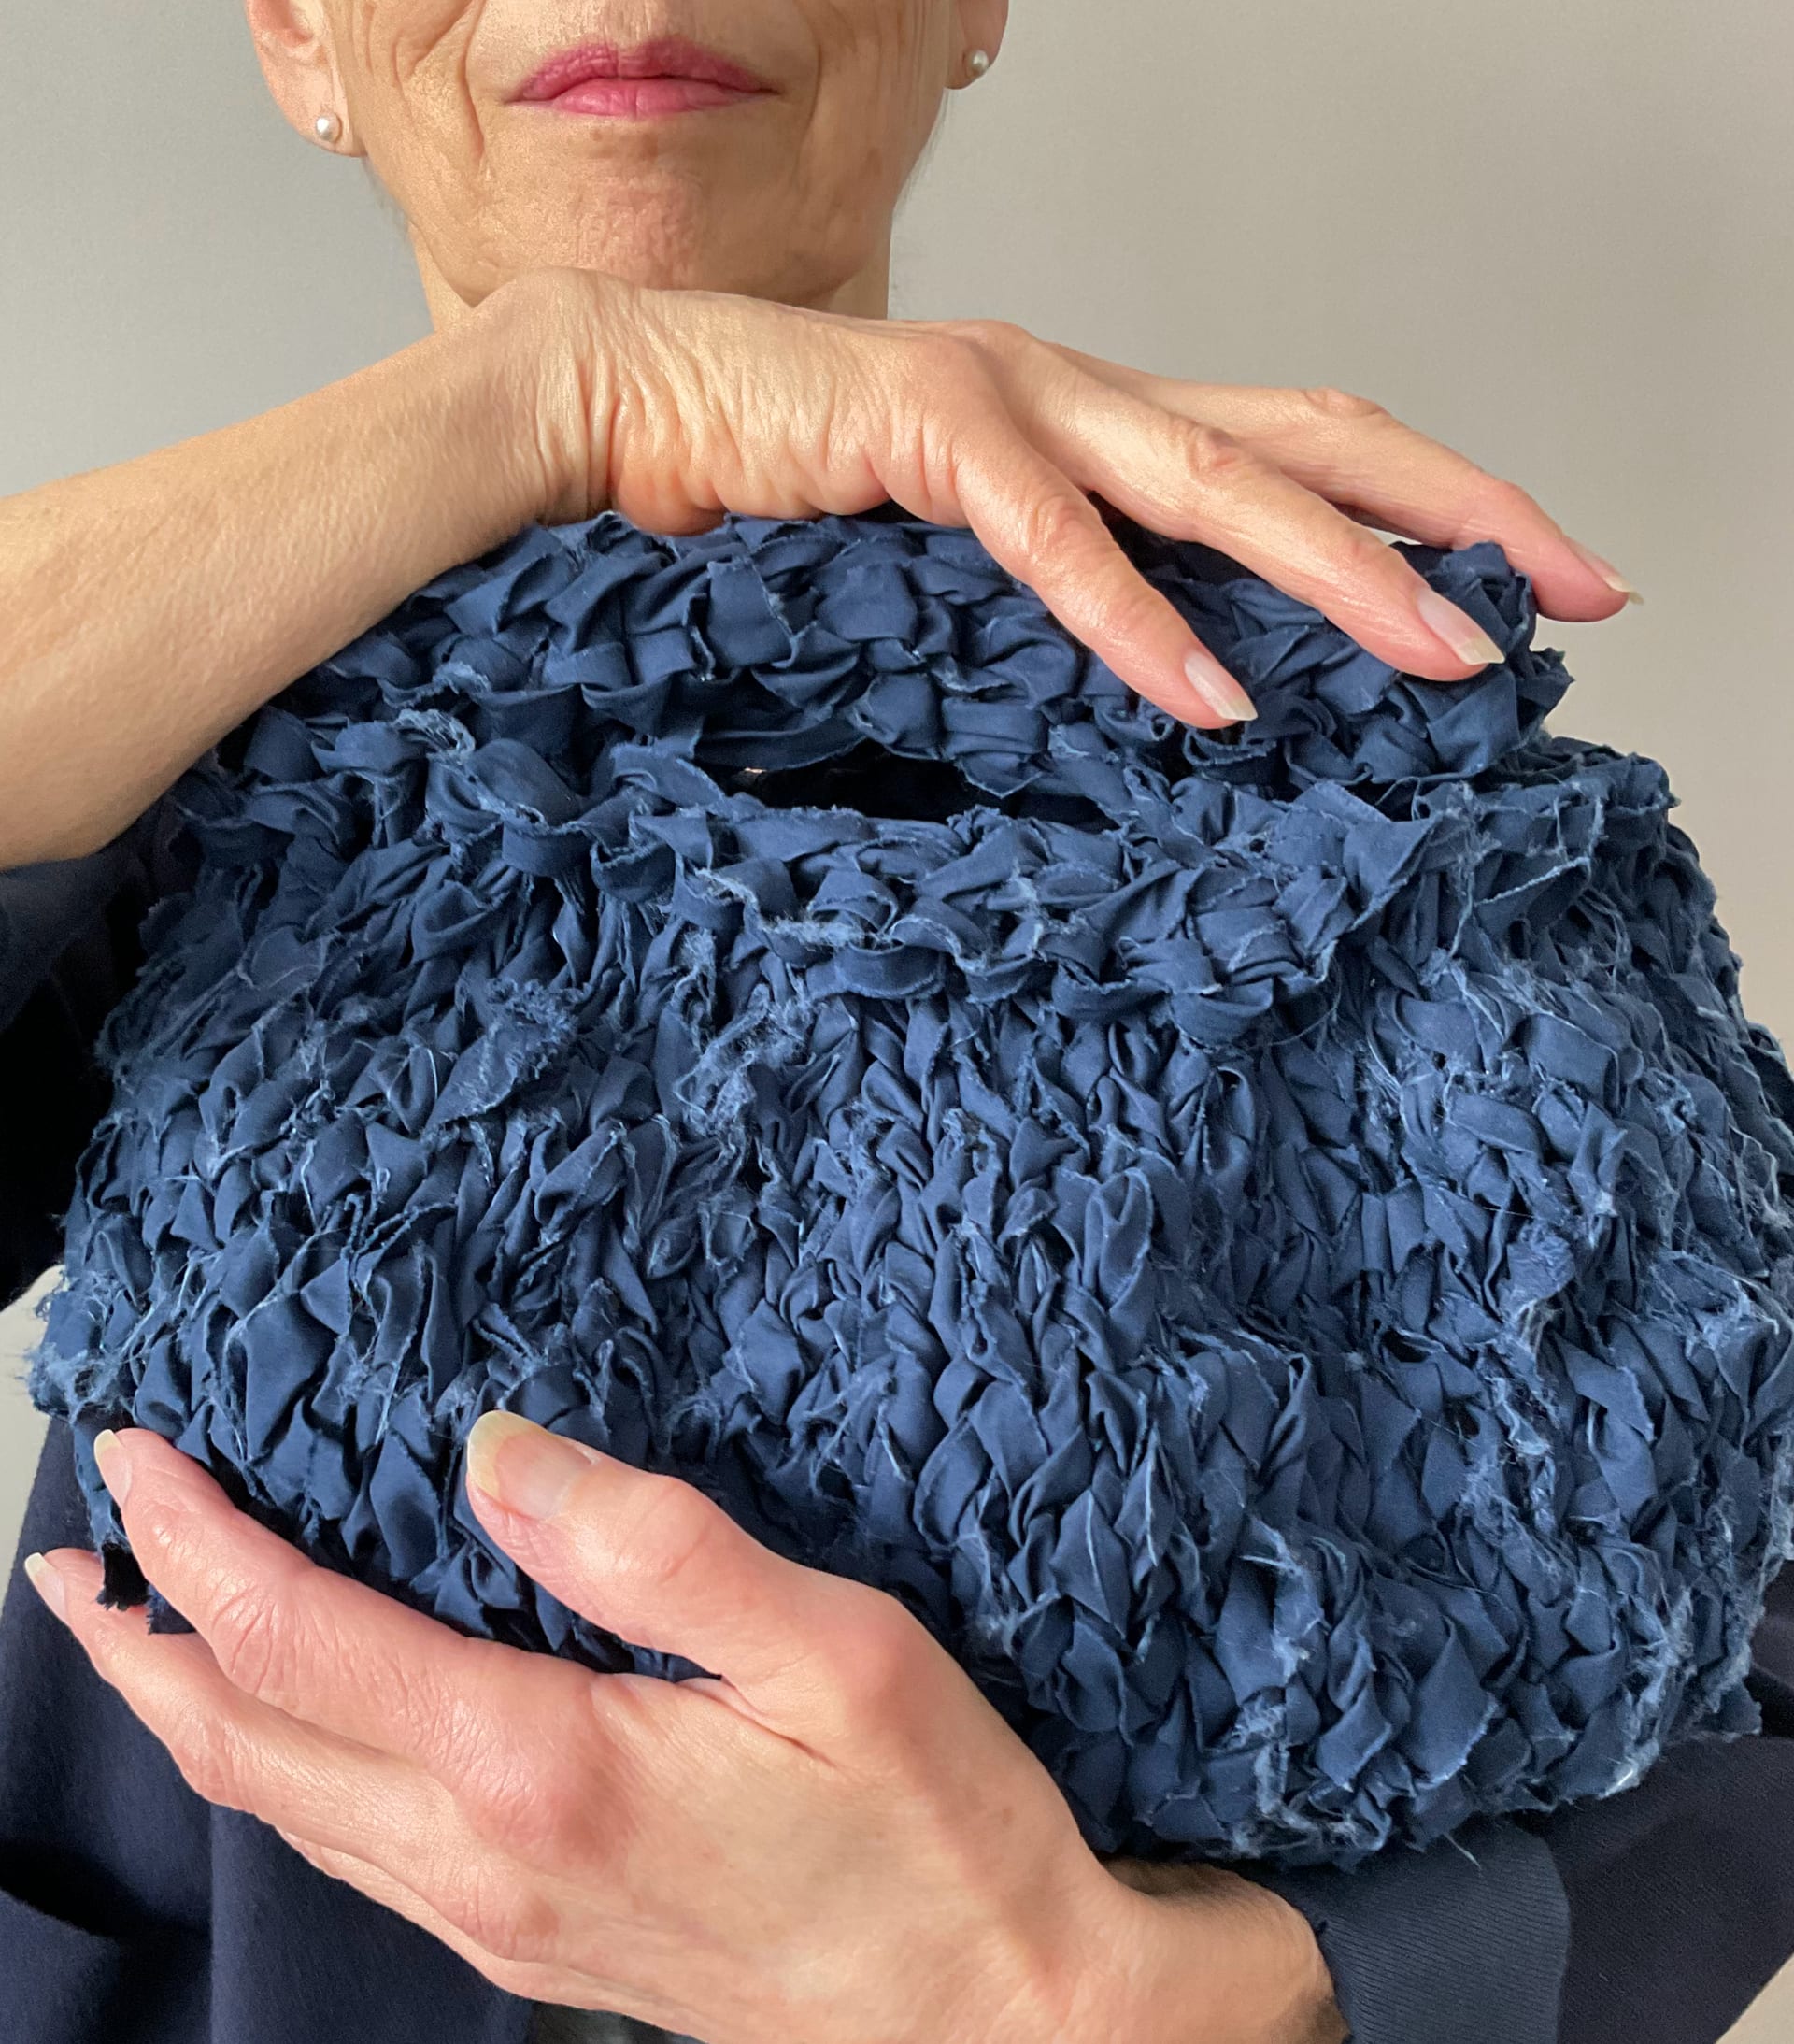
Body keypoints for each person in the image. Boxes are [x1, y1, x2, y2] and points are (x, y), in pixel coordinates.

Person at [0, 5, 1787, 2042]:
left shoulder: (1348, 741)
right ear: (299, 36)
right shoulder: (161, 744)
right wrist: (547, 394)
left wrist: (1213, 1998)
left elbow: (1751, 1586)